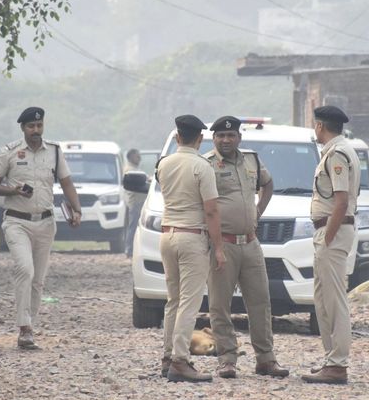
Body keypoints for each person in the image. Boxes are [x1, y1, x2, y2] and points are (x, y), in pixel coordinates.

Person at [0, 107, 82, 350]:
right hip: (17, 221)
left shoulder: (55, 152)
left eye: (39, 126)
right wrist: (13, 190)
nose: (36, 131)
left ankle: (30, 324)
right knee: (24, 270)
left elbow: (67, 182)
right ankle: (24, 328)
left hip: (46, 222)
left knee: (38, 280)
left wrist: (77, 209)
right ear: (23, 128)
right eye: (31, 127)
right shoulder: (8, 152)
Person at [204, 116, 289, 379]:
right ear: (213, 138)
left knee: (260, 302)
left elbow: (268, 184)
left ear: (239, 138)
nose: (226, 140)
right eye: (221, 136)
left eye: (231, 136)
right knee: (220, 305)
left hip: (251, 243)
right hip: (223, 244)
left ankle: (266, 359)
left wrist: (257, 212)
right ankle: (227, 359)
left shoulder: (251, 159)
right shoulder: (206, 165)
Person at [157, 115, 225, 382]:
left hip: (167, 235)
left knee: (173, 300)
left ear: (177, 138)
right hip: (192, 236)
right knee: (189, 301)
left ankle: (167, 355)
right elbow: (211, 210)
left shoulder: (164, 164)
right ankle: (180, 360)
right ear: (200, 138)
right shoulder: (202, 166)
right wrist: (218, 247)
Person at [302, 105, 359, 384]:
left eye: (316, 125)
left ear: (321, 126)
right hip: (331, 230)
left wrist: (327, 237)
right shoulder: (338, 150)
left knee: (334, 299)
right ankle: (330, 360)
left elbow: (341, 200)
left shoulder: (337, 153)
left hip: (333, 232)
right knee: (323, 298)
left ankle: (337, 364)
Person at [123, 148, 147, 257]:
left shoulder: (135, 169)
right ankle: (129, 250)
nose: (140, 158)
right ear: (131, 157)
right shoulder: (130, 170)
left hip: (140, 202)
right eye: (137, 156)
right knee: (133, 227)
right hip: (136, 202)